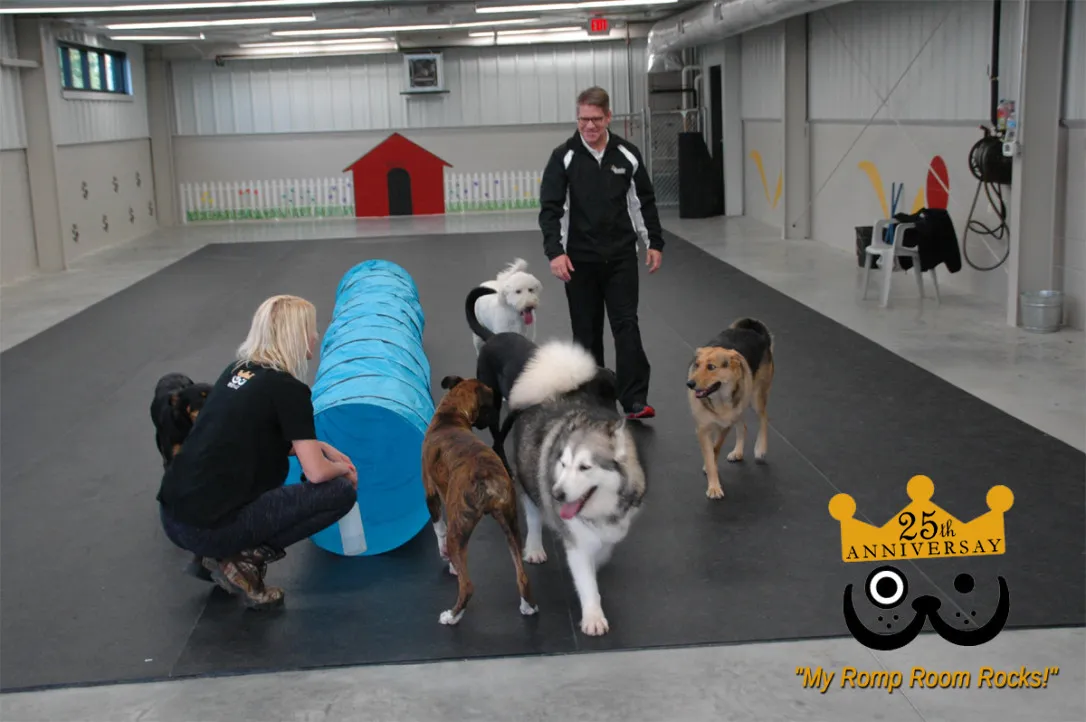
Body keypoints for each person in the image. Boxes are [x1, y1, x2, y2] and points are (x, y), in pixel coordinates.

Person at [156, 294, 358, 610]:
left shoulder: (237, 372)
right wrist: (343, 469)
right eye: (311, 328)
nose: (316, 336)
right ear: (295, 334)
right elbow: (317, 473)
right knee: (340, 492)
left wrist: (325, 447)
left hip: (173, 517)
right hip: (207, 529)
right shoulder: (289, 390)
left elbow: (265, 435)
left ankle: (219, 554)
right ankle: (242, 562)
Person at [538, 86, 664, 420]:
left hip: (621, 258)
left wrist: (653, 242)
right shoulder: (563, 157)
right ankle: (592, 399)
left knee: (626, 326)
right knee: (586, 331)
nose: (589, 126)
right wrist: (555, 252)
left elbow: (642, 202)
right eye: (583, 119)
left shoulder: (628, 155)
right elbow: (550, 209)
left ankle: (634, 399)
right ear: (577, 118)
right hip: (579, 262)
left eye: (595, 119)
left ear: (608, 117)